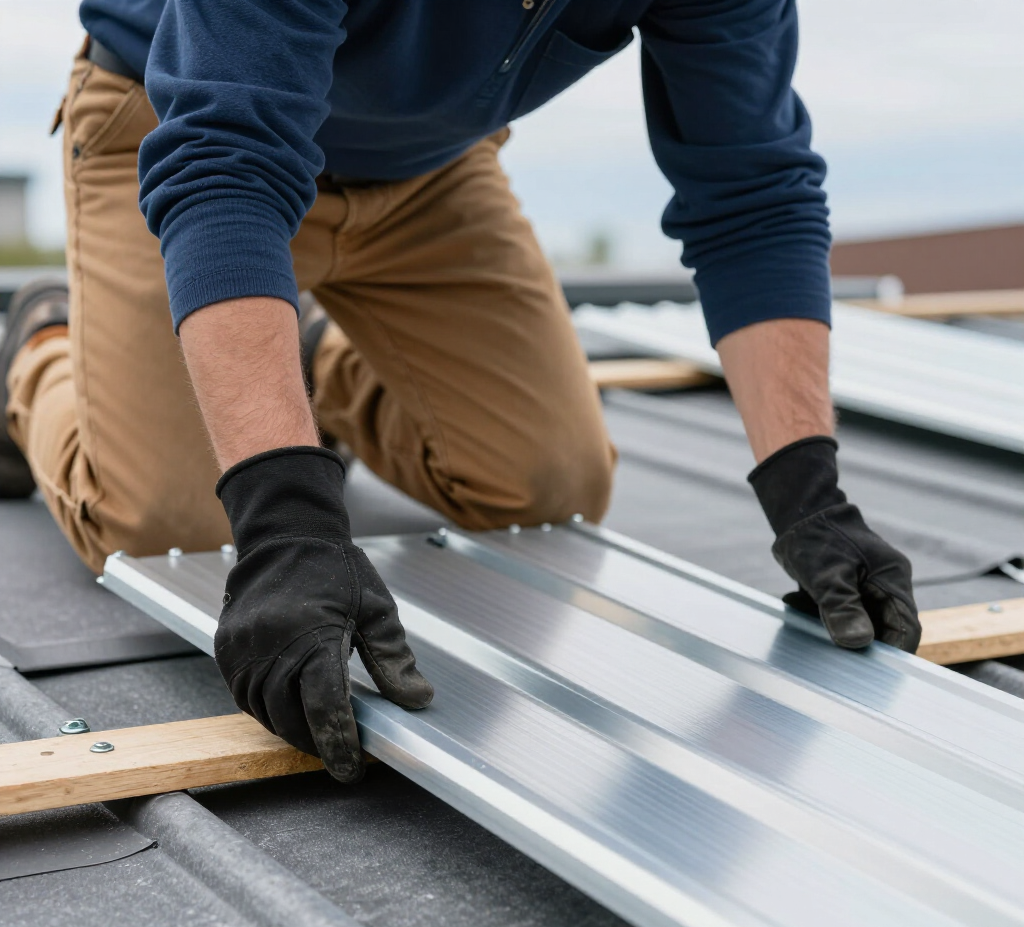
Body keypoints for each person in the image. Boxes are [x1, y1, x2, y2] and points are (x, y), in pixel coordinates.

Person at [1, 0, 921, 782]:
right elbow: (226, 163)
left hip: (424, 172)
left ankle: (299, 359)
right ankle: (40, 344)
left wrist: (810, 489)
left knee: (546, 486)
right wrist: (284, 516)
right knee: (172, 526)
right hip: (180, 122)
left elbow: (752, 189)